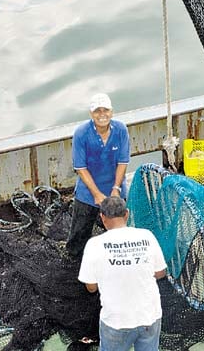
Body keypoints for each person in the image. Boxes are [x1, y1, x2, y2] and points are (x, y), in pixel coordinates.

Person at [78, 196, 167, 351]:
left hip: (116, 321)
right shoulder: (146, 236)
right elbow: (160, 273)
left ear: (103, 217)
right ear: (127, 214)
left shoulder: (94, 245)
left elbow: (91, 287)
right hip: (150, 316)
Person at [67, 93, 130, 257]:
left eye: (106, 110)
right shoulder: (81, 133)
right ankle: (76, 261)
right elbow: (80, 167)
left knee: (121, 234)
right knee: (79, 236)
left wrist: (116, 189)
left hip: (115, 190)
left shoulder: (121, 130)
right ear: (91, 114)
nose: (102, 114)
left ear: (112, 112)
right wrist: (96, 194)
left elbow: (123, 162)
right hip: (88, 193)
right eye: (97, 111)